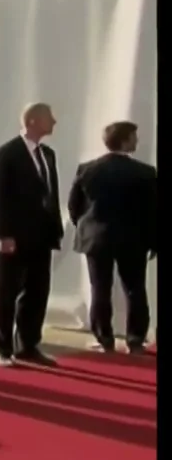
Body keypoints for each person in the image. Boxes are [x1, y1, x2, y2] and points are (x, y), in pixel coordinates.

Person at [67, 120, 157, 354]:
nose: (137, 141)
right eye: (134, 137)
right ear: (125, 139)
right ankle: (135, 339)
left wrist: (87, 228)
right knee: (135, 289)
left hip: (97, 239)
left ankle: (104, 338)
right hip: (134, 240)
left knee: (100, 288)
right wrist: (154, 240)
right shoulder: (145, 173)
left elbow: (74, 207)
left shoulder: (86, 169)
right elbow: (153, 211)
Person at [0, 103, 63, 367]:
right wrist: (4, 234)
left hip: (42, 237)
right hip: (15, 237)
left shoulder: (48, 155)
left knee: (37, 292)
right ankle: (2, 348)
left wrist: (56, 229)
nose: (54, 121)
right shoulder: (7, 155)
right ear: (32, 121)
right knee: (7, 292)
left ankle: (28, 345)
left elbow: (51, 195)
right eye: (49, 117)